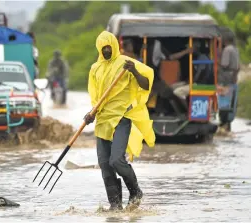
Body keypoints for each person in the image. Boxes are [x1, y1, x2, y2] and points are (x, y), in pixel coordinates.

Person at [84, 31, 155, 211]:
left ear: (115, 46)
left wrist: (134, 71)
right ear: (99, 49)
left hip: (121, 118)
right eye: (103, 48)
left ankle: (135, 191)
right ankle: (115, 205)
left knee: (116, 160)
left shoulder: (125, 63)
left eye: (109, 47)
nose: (107, 51)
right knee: (105, 164)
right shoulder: (95, 69)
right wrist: (91, 113)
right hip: (102, 121)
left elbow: (146, 84)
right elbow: (95, 97)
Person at [172, 41, 213, 105]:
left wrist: (191, 82)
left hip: (201, 84)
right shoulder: (197, 57)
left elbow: (201, 73)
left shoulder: (202, 57)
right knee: (172, 87)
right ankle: (179, 110)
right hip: (195, 82)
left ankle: (188, 109)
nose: (187, 49)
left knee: (177, 92)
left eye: (188, 47)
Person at [217, 33, 240, 132]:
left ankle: (223, 125)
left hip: (225, 79)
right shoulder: (235, 49)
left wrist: (216, 61)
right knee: (230, 104)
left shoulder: (227, 50)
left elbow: (224, 64)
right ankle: (227, 127)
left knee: (224, 104)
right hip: (232, 79)